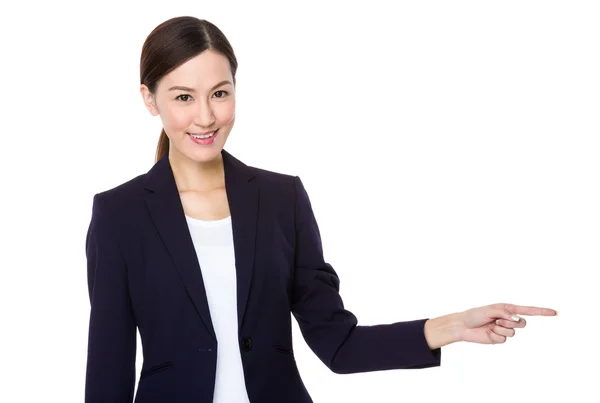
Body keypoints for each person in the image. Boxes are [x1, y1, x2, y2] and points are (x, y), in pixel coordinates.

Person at [84, 16, 557, 403]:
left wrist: (452, 326)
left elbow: (338, 343)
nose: (206, 116)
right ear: (150, 99)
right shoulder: (119, 215)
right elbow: (108, 371)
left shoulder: (280, 199)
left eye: (220, 93)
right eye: (183, 97)